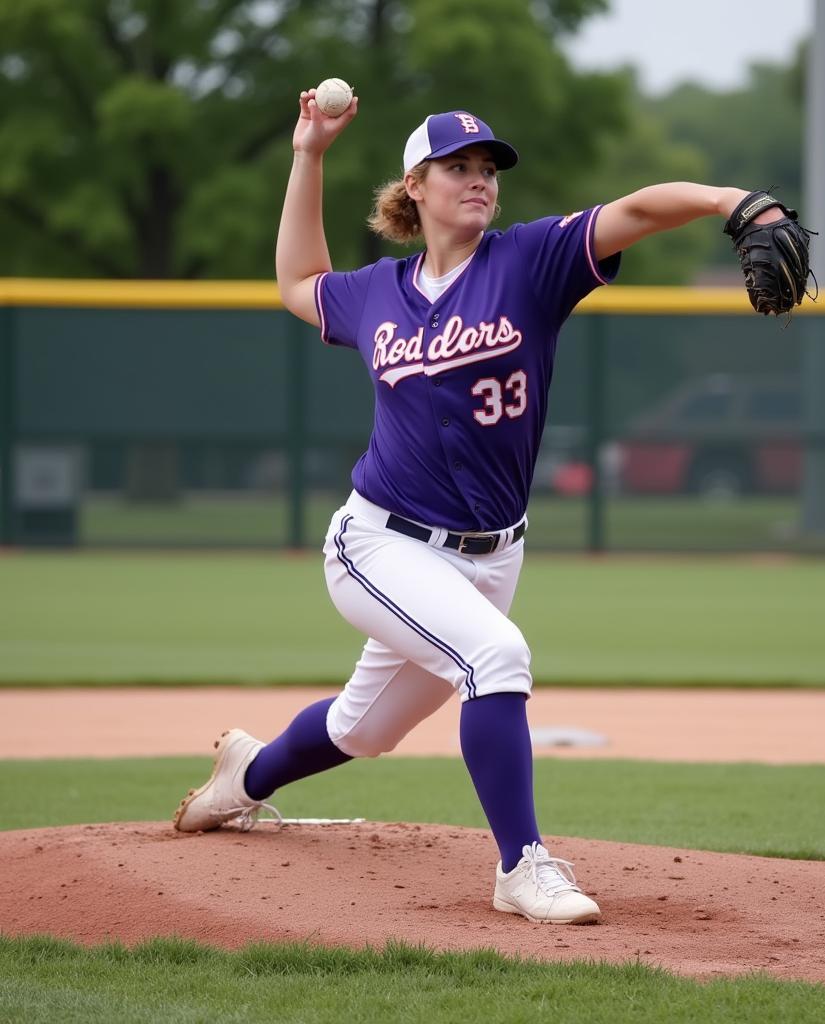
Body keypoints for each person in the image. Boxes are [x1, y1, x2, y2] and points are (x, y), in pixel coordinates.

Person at [173, 87, 782, 925]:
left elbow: (638, 209)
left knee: (364, 729)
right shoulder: (378, 293)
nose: (479, 179)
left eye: (487, 166)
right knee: (496, 658)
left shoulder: (530, 262)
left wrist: (733, 203)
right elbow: (298, 282)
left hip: (492, 552)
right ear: (414, 187)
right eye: (456, 166)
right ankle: (521, 866)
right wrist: (308, 153)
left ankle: (242, 777)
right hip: (379, 542)